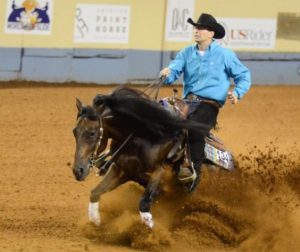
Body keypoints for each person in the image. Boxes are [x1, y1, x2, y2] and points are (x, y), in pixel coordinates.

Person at [160, 13, 251, 192]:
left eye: (201, 28)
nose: (197, 31)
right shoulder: (186, 53)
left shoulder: (225, 55)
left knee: (194, 127)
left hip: (209, 105)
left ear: (211, 34)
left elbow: (244, 75)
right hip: (187, 102)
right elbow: (173, 72)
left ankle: (194, 173)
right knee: (159, 112)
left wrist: (237, 93)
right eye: (196, 28)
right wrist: (167, 73)